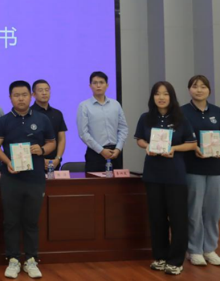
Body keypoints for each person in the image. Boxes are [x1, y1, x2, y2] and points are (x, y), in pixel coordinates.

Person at [0, 80, 55, 279]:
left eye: (24, 95)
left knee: (31, 221)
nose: (21, 99)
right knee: (11, 221)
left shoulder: (42, 119)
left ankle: (31, 260)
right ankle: (13, 259)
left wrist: (42, 150)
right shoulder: (3, 121)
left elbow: (51, 143)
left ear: (31, 96)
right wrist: (7, 161)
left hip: (35, 177)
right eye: (16, 95)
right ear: (10, 98)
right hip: (11, 177)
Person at [134, 81, 196, 275]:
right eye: (157, 94)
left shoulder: (181, 118)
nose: (161, 97)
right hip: (152, 174)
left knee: (178, 218)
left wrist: (173, 148)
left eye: (165, 94)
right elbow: (139, 139)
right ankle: (160, 257)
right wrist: (147, 146)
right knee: (157, 218)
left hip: (175, 175)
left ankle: (176, 260)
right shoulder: (145, 118)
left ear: (171, 97)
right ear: (152, 97)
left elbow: (192, 143)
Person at [182, 75, 220, 266]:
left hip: (215, 168)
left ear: (209, 90)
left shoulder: (217, 112)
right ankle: (194, 249)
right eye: (195, 86)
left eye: (203, 86)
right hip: (192, 168)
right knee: (194, 210)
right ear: (189, 89)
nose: (199, 90)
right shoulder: (182, 112)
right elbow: (178, 138)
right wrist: (193, 146)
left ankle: (210, 248)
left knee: (213, 210)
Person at [77, 71, 129, 172]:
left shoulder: (115, 104)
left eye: (101, 82)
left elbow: (123, 128)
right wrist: (101, 150)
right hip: (95, 153)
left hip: (115, 153)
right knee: (95, 182)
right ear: (90, 86)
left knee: (117, 181)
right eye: (95, 83)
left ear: (107, 85)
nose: (98, 85)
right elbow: (83, 133)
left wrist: (118, 148)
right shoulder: (84, 106)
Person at [31, 79, 68, 171]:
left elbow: (61, 139)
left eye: (47, 90)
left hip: (54, 163)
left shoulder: (57, 113)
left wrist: (57, 159)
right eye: (40, 90)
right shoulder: (29, 113)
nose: (44, 93)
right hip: (33, 163)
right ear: (34, 94)